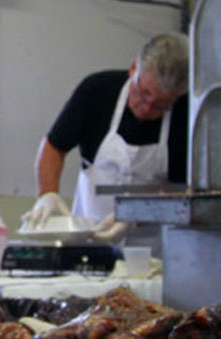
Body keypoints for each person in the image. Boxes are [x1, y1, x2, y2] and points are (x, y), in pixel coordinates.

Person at [20, 32, 190, 245]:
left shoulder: (187, 114)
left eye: (161, 105)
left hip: (154, 248)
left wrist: (137, 215)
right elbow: (54, 147)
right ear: (133, 69)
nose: (146, 109)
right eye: (142, 93)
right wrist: (48, 194)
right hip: (89, 238)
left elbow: (188, 193)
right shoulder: (96, 92)